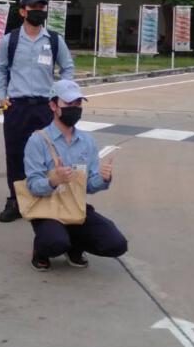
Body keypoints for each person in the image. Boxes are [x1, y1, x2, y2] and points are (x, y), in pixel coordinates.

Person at [24, 79, 127, 271]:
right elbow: (32, 185)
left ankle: (74, 246)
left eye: (78, 103)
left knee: (117, 244)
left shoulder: (87, 141)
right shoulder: (37, 140)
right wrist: (53, 180)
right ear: (53, 106)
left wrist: (104, 179)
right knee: (54, 242)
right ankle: (41, 251)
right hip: (48, 209)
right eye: (68, 103)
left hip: (75, 206)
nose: (74, 108)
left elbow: (90, 185)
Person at [0, 0, 74, 223]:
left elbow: (68, 68)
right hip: (16, 107)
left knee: (49, 154)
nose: (38, 12)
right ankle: (16, 200)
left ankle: (47, 199)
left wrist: (62, 95)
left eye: (41, 8)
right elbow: (0, 68)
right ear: (22, 12)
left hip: (45, 108)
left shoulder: (54, 40)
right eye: (33, 8)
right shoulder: (10, 40)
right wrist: (2, 96)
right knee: (15, 154)